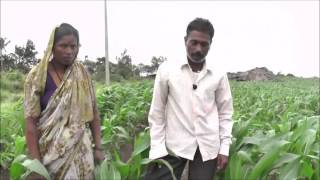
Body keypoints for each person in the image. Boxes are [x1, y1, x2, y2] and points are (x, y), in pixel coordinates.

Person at [144, 18, 233, 180]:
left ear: (210, 44)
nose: (198, 49)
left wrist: (224, 148)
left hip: (207, 147)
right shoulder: (167, 70)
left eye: (204, 44)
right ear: (185, 41)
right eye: (194, 42)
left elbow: (225, 113)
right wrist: (157, 149)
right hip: (173, 146)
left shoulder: (219, 74)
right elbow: (157, 112)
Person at [24, 23, 104, 179]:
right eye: (63, 46)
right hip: (50, 155)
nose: (69, 51)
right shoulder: (37, 76)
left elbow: (94, 113)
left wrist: (99, 148)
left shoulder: (82, 75)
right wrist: (36, 164)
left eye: (73, 46)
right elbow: (30, 123)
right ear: (52, 47)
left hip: (82, 153)